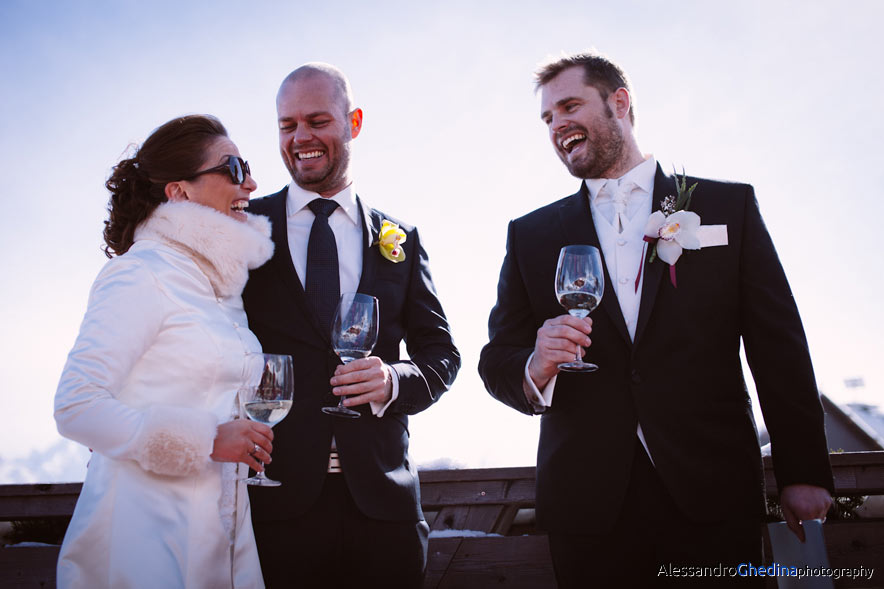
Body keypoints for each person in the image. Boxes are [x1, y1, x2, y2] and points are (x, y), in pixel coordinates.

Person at [478, 51, 834, 587]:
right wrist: (535, 364)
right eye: (548, 118)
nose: (558, 126)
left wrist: (802, 471)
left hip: (712, 493)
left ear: (619, 102)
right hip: (589, 508)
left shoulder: (726, 208)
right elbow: (495, 359)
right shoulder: (529, 236)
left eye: (570, 105)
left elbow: (778, 345)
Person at [242, 62, 460, 588]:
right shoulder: (244, 229)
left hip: (384, 508)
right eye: (287, 125)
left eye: (317, 121)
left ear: (354, 122)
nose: (301, 138)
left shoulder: (399, 239)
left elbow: (441, 355)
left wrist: (392, 381)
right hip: (275, 504)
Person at [54, 115, 275, 589]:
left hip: (221, 533)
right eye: (233, 168)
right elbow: (76, 404)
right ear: (179, 192)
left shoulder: (220, 291)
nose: (252, 182)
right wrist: (206, 439)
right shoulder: (141, 273)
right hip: (143, 535)